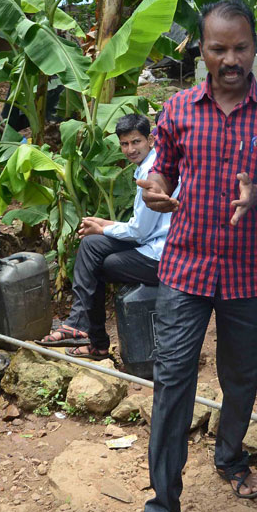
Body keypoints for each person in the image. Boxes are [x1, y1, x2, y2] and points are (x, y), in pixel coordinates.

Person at [123, 0, 257, 512]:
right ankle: (162, 506)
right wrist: (157, 190)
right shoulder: (176, 109)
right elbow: (164, 172)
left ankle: (231, 457)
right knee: (172, 380)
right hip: (186, 267)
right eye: (219, 49)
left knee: (241, 377)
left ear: (255, 48)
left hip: (251, 269)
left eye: (241, 47)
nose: (231, 59)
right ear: (202, 51)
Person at [38, 114, 173, 357]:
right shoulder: (151, 164)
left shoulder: (152, 173)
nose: (130, 150)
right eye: (124, 144)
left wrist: (103, 227)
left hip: (162, 256)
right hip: (152, 245)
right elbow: (143, 228)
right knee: (92, 248)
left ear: (150, 140)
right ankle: (87, 334)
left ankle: (90, 336)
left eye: (136, 142)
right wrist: (105, 224)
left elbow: (140, 232)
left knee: (97, 259)